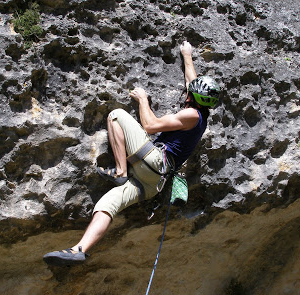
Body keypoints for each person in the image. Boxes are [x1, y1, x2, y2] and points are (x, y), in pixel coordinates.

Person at [43, 41, 221, 266]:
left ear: (192, 98)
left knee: (116, 115)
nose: (187, 91)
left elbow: (150, 125)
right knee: (109, 203)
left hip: (154, 161)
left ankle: (120, 171)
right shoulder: (201, 115)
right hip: (153, 183)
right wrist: (187, 54)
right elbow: (191, 82)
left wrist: (143, 100)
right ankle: (79, 250)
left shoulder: (192, 115)